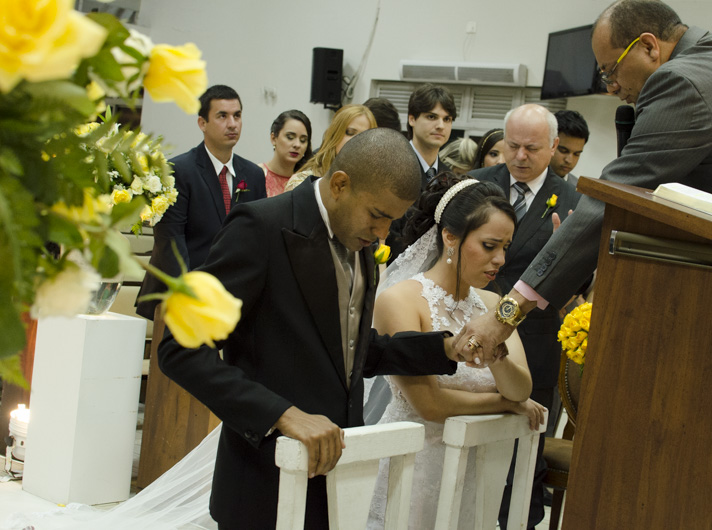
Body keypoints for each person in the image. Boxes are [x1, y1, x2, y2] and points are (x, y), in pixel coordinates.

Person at [156, 128, 484, 529]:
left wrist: (445, 349)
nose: (383, 235)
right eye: (378, 216)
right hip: (264, 476)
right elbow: (179, 348)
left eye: (392, 222)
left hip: (338, 475)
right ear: (341, 185)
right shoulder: (260, 227)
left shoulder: (361, 245)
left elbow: (351, 349)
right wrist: (282, 414)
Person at [455, 0, 712, 371]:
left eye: (610, 70)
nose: (611, 87)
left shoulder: (680, 81)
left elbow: (613, 200)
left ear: (649, 46)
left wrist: (506, 314)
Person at [366, 173, 547, 529]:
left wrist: (498, 360)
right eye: (490, 245)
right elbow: (430, 405)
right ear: (450, 236)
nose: (500, 260)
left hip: (475, 466)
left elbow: (521, 389)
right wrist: (505, 404)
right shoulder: (400, 299)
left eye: (505, 248)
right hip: (414, 465)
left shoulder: (495, 303)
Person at [470, 103, 581, 529]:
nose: (518, 156)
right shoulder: (476, 186)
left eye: (531, 148)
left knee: (523, 454)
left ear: (553, 147)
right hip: (471, 334)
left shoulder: (575, 201)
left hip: (534, 346)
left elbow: (579, 283)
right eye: (511, 145)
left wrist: (565, 266)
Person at [136, 84, 266, 320]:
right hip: (180, 292)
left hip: (232, 296)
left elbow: (257, 239)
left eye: (237, 115)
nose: (232, 124)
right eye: (222, 116)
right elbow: (171, 243)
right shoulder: (178, 171)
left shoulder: (253, 175)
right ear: (202, 123)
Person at [386, 84, 457, 262]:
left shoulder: (451, 178)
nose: (440, 126)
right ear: (412, 119)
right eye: (432, 117)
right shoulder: (390, 166)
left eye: (447, 119)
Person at [284, 104, 376, 191]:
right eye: (350, 133)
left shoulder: (373, 186)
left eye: (364, 135)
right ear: (334, 135)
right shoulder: (303, 183)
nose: (357, 140)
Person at [260, 109, 312, 197]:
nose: (297, 145)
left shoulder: (307, 181)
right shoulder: (257, 174)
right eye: (290, 137)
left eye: (303, 140)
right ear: (273, 138)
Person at [549, 110, 589, 187]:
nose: (569, 160)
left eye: (576, 154)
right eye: (563, 151)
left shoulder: (579, 191)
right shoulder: (524, 178)